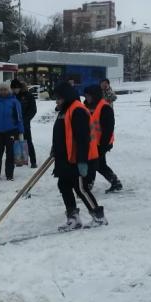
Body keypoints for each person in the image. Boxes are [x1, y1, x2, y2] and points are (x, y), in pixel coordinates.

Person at [51, 82, 107, 230]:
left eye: (59, 98)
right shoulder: (65, 110)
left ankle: (98, 216)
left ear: (66, 97)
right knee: (63, 185)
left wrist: (82, 162)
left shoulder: (78, 110)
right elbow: (62, 133)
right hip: (66, 158)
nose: (57, 101)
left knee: (81, 188)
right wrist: (54, 149)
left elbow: (83, 139)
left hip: (80, 158)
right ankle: (73, 218)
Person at [83, 85, 122, 193]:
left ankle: (87, 186)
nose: (87, 98)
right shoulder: (85, 105)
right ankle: (115, 182)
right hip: (91, 142)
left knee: (93, 164)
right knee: (99, 165)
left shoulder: (105, 107)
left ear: (95, 95)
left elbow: (108, 129)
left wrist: (103, 146)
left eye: (88, 96)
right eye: (85, 96)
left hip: (102, 142)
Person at [0, 81, 24, 181]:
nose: (3, 91)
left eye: (5, 89)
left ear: (9, 90)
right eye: (1, 89)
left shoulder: (14, 101)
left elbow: (19, 117)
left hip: (11, 131)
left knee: (10, 154)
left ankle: (9, 175)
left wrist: (21, 131)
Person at [11, 79, 38, 168]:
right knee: (16, 141)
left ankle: (33, 161)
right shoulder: (13, 96)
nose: (15, 90)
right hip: (15, 123)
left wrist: (26, 120)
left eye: (16, 88)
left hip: (25, 123)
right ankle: (20, 160)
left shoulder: (28, 96)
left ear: (20, 87)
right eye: (13, 89)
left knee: (28, 141)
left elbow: (33, 110)